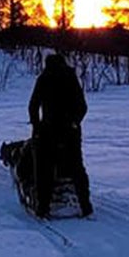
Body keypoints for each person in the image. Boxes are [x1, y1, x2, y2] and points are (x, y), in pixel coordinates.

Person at [28, 51, 92, 218]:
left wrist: (36, 126)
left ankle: (43, 207)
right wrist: (74, 122)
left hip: (49, 130)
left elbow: (33, 105)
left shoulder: (43, 79)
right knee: (77, 167)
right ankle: (86, 206)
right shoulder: (71, 78)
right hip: (70, 131)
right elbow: (82, 106)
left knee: (44, 169)